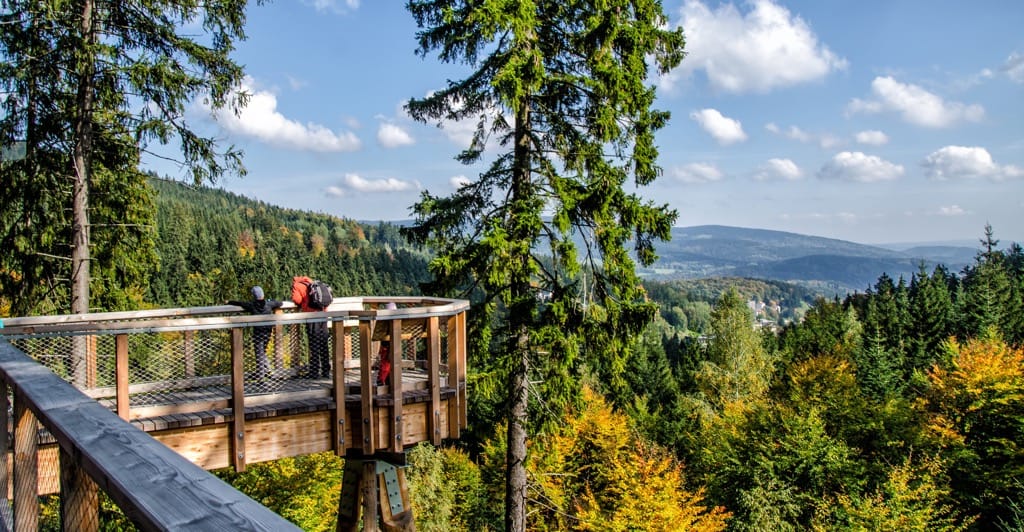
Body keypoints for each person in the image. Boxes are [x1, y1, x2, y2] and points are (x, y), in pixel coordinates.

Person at [228, 286, 283, 379]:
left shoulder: (252, 305)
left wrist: (229, 301)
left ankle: (261, 376)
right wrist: (271, 300)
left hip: (258, 332)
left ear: (253, 296)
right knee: (262, 351)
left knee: (259, 353)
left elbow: (240, 303)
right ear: (263, 294)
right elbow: (280, 303)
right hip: (267, 331)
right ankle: (269, 372)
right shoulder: (269, 304)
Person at [291, 275, 331, 378]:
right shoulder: (312, 282)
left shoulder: (297, 285)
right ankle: (326, 371)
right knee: (323, 343)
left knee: (314, 344)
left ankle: (314, 371)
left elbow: (297, 300)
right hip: (323, 314)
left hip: (312, 315)